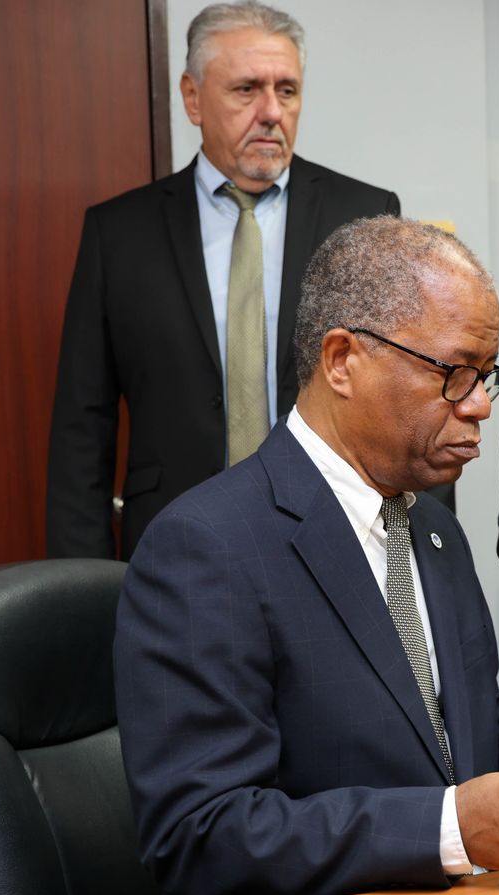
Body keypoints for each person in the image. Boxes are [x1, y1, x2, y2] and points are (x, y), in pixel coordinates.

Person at [115, 216, 499, 895]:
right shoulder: (206, 546)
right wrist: (448, 830)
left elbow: (473, 720)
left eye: (486, 377)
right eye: (454, 373)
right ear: (342, 360)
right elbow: (198, 835)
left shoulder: (433, 528)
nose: (479, 406)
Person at [46, 1, 400, 561]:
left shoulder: (362, 215)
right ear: (193, 98)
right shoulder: (119, 233)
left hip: (334, 537)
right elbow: (81, 430)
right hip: (174, 540)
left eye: (287, 90)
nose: (271, 112)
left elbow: (402, 393)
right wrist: (85, 583)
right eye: (246, 90)